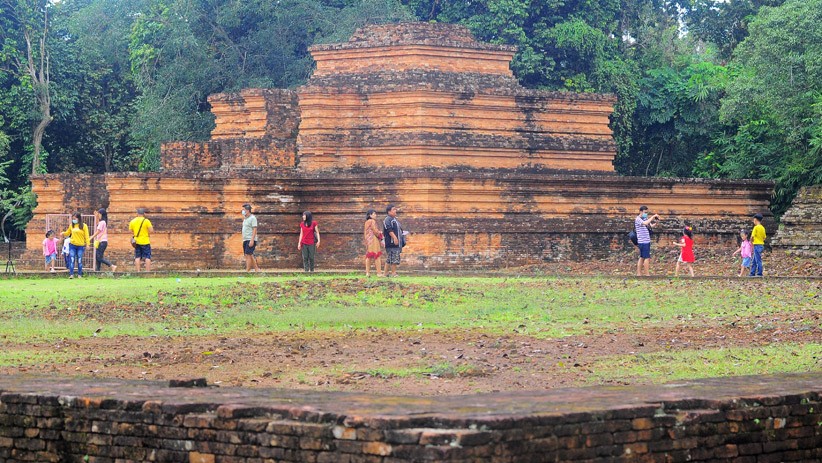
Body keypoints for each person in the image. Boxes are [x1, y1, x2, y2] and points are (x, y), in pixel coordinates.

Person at [62, 212, 90, 279]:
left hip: (80, 245)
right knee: (72, 259)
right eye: (73, 218)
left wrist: (88, 244)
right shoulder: (71, 225)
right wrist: (63, 233)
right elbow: (68, 233)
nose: (74, 219)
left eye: (75, 218)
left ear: (79, 218)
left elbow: (87, 236)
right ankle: (71, 274)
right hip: (72, 245)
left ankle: (79, 274)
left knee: (79, 260)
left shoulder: (84, 226)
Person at [635, 205, 660, 277]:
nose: (646, 214)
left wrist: (656, 222)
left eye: (647, 212)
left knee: (642, 257)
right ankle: (647, 274)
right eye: (645, 212)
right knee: (647, 258)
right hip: (643, 241)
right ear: (640, 211)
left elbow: (650, 225)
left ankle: (639, 274)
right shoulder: (638, 219)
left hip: (646, 240)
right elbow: (645, 223)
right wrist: (652, 217)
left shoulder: (645, 218)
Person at [89, 208, 116, 272]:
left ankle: (112, 265)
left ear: (101, 214)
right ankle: (98, 270)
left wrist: (91, 237)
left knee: (99, 257)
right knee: (98, 256)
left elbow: (98, 231)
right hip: (102, 242)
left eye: (99, 214)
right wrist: (96, 216)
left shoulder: (102, 222)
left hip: (102, 242)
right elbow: (97, 224)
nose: (98, 215)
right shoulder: (103, 222)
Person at [383, 204, 405, 277]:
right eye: (394, 209)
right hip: (391, 242)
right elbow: (389, 229)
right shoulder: (387, 219)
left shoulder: (395, 220)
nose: (395, 211)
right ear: (389, 212)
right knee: (393, 257)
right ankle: (393, 273)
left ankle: (385, 273)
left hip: (397, 242)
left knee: (390, 258)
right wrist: (395, 238)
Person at [129, 208, 154, 272]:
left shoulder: (132, 221)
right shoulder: (146, 221)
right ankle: (147, 271)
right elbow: (151, 230)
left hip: (136, 241)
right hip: (145, 241)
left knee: (137, 256)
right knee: (147, 257)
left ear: (137, 213)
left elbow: (130, 231)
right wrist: (146, 233)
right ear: (144, 214)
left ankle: (138, 271)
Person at [363, 209, 384, 277]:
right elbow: (375, 231)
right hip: (374, 239)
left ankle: (367, 273)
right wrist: (380, 234)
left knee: (368, 256)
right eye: (374, 214)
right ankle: (379, 273)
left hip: (368, 240)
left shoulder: (366, 222)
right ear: (370, 215)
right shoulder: (372, 221)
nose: (375, 215)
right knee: (377, 255)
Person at [241, 203, 260, 272]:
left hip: (250, 239)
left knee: (248, 254)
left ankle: (247, 271)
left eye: (243, 210)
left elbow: (255, 229)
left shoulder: (253, 218)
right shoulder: (245, 219)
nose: (242, 211)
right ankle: (256, 269)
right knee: (249, 255)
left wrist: (252, 240)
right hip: (245, 239)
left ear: (248, 210)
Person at [750, 213, 766, 277]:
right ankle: (752, 273)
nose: (753, 221)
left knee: (758, 260)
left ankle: (759, 273)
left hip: (756, 245)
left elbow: (752, 237)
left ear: (756, 220)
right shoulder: (762, 228)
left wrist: (751, 242)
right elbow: (764, 237)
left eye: (754, 220)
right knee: (754, 260)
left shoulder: (756, 228)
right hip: (761, 245)